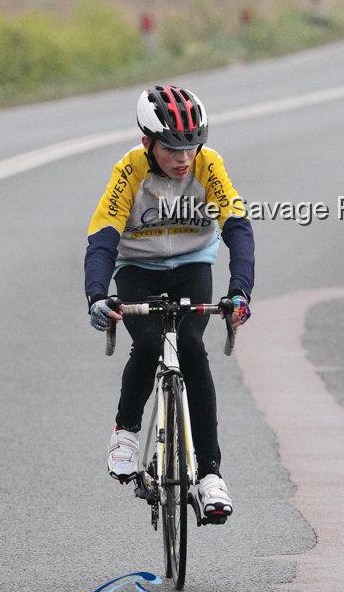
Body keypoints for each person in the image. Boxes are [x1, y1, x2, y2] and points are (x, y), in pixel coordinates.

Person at [84, 84, 254, 518]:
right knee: (147, 343)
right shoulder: (129, 170)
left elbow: (237, 227)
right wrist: (98, 296)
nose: (184, 158)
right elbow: (102, 239)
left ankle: (210, 475)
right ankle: (125, 430)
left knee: (193, 348)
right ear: (147, 143)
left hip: (192, 264)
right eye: (173, 149)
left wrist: (239, 291)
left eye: (192, 146)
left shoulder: (208, 165)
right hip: (137, 267)